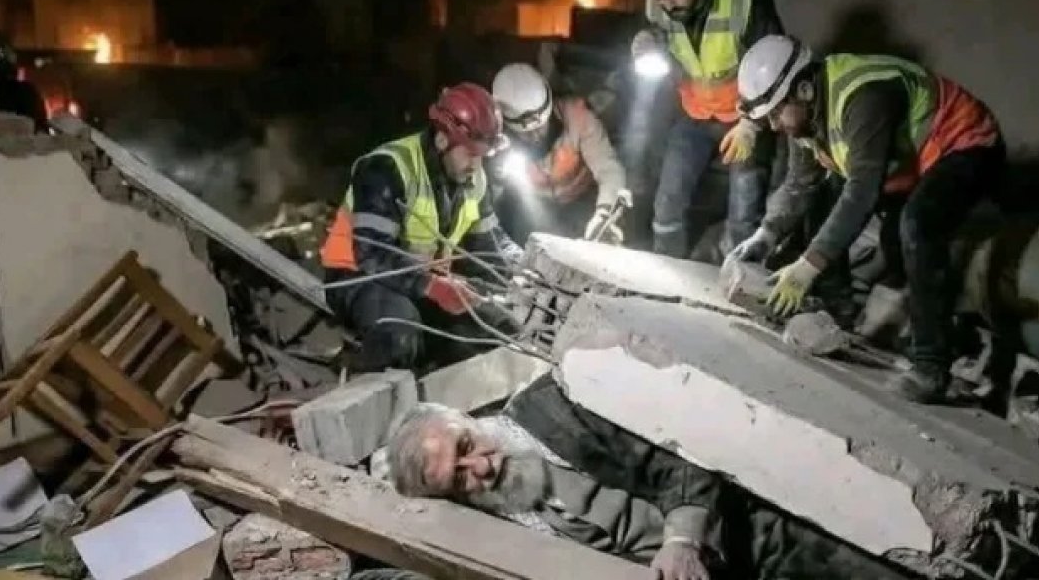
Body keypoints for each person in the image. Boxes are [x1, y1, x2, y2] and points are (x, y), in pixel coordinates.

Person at [376, 375, 908, 579]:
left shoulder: (557, 407)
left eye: (467, 447)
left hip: (749, 533)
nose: (482, 468)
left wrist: (682, 542)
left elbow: (679, 454)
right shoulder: (490, 525)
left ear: (467, 419)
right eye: (459, 480)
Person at [728, 35, 1004, 403]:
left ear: (804, 89)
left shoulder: (864, 97)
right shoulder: (803, 113)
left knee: (918, 225)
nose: (775, 126)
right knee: (838, 205)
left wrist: (807, 267)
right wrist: (766, 234)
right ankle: (838, 309)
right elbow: (801, 184)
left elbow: (862, 191)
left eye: (776, 114)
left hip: (965, 143)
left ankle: (931, 366)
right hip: (911, 161)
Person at [319, 83, 523, 373]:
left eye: (482, 155)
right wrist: (431, 286)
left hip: (420, 281)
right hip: (356, 277)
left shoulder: (472, 179)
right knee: (400, 335)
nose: (476, 165)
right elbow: (370, 253)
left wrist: (526, 269)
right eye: (470, 153)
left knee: (498, 326)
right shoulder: (386, 168)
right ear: (442, 140)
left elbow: (492, 244)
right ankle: (355, 377)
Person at [631, 0, 783, 259]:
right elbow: (661, 38)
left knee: (743, 213)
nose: (668, 5)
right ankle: (663, 266)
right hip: (697, 112)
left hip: (743, 117)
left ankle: (738, 275)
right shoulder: (658, 6)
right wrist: (648, 43)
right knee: (667, 203)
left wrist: (751, 124)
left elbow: (774, 63)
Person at [490, 63, 630, 244]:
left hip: (581, 201)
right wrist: (497, 178)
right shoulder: (499, 144)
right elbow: (492, 198)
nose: (536, 136)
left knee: (597, 241)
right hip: (534, 207)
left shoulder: (579, 118)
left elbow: (608, 169)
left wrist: (604, 212)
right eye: (526, 133)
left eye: (541, 127)